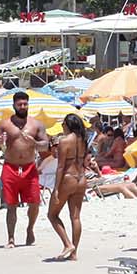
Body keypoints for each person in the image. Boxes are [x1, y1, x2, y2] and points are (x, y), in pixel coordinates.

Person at [0, 89, 51, 248]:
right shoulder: (5, 124)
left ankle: (30, 229)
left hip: (30, 168)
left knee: (35, 203)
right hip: (10, 167)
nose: (23, 106)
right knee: (11, 204)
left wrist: (35, 144)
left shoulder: (36, 124)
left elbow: (46, 145)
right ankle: (11, 238)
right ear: (14, 105)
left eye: (25, 103)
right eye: (20, 104)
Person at [46, 112, 90, 261]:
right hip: (81, 178)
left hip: (68, 178)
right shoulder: (83, 140)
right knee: (76, 217)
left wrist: (56, 188)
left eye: (63, 124)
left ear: (68, 125)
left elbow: (60, 167)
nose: (62, 126)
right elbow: (85, 161)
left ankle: (67, 244)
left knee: (52, 214)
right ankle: (74, 253)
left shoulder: (65, 141)